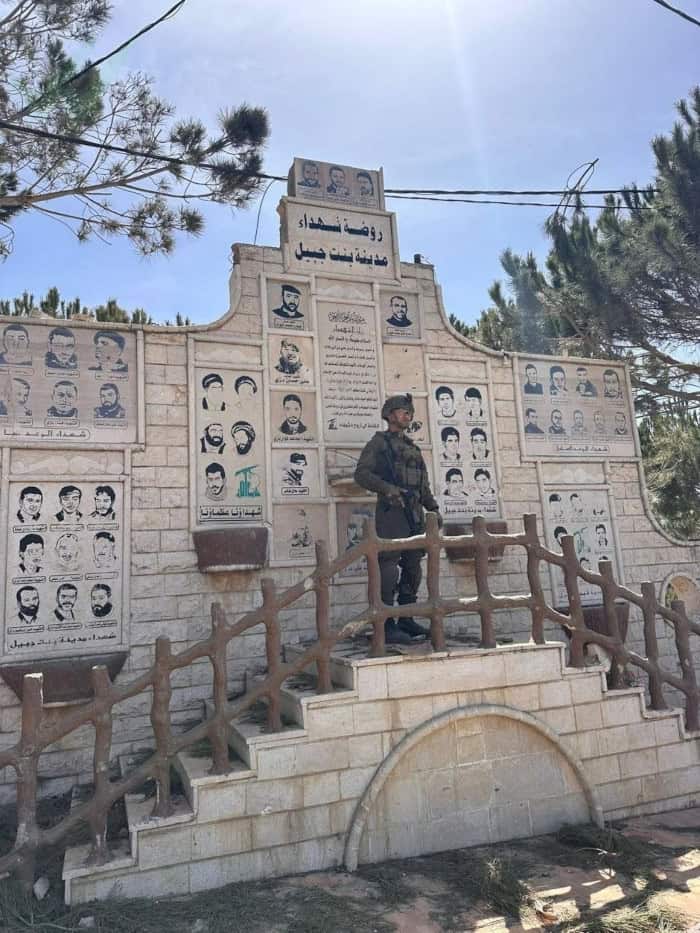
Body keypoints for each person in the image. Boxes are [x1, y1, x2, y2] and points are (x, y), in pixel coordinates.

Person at [354, 393, 442, 645]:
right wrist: (387, 489)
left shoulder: (413, 448)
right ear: (390, 414)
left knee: (413, 565)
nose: (408, 415)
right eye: (403, 411)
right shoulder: (379, 443)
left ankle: (406, 617)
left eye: (410, 412)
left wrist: (433, 508)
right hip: (392, 511)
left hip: (414, 513)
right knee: (389, 565)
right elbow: (361, 474)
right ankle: (386, 623)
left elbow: (423, 485)